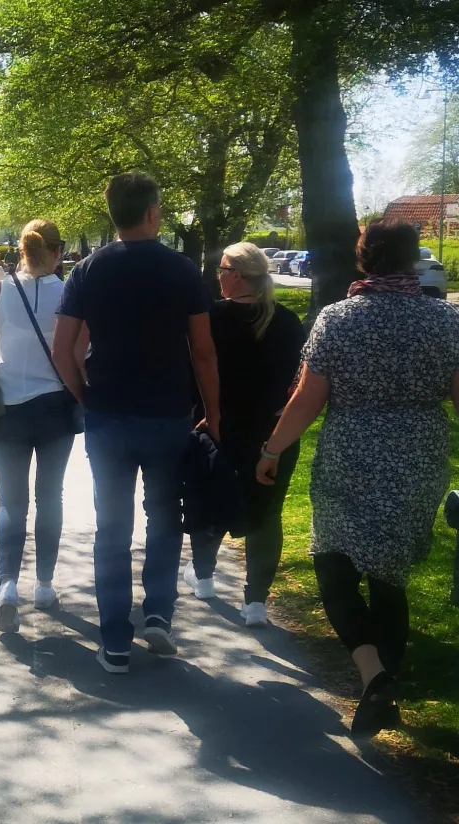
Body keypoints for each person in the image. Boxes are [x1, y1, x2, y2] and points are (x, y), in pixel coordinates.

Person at [257, 221, 459, 736]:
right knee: (389, 571)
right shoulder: (444, 321)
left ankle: (375, 677)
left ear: (364, 258)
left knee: (333, 562)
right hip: (418, 456)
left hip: (350, 453)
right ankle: (384, 679)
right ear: (411, 260)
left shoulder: (338, 319)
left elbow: (307, 399)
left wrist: (272, 448)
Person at [51, 172, 220, 674]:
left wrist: (84, 394)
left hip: (108, 417)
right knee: (165, 517)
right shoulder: (182, 270)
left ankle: (115, 642)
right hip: (168, 415)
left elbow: (63, 350)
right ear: (151, 213)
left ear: (113, 214)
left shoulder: (87, 270)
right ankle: (158, 617)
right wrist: (214, 415)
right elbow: (204, 352)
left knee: (112, 527)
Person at [0, 220, 81, 631]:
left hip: (8, 409)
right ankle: (45, 585)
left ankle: (7, 586)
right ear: (56, 251)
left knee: (10, 502)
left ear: (21, 250)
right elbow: (84, 352)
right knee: (50, 496)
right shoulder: (70, 293)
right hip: (55, 409)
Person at [185, 242, 306, 628]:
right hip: (273, 434)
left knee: (211, 502)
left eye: (222, 269)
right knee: (266, 515)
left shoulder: (210, 319)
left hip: (218, 427)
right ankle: (255, 601)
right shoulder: (287, 321)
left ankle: (203, 578)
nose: (218, 276)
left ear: (236, 275)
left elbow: (194, 373)